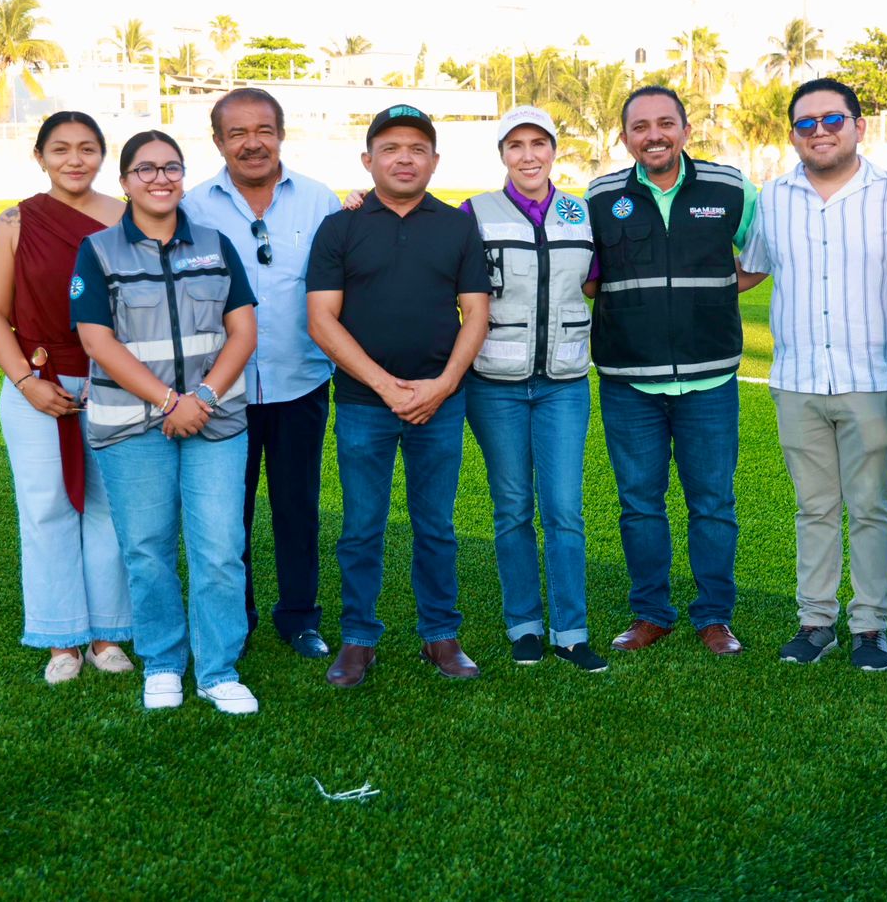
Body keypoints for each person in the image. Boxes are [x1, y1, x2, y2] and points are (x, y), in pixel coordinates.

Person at [72, 131, 261, 714]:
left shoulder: (214, 242)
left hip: (215, 420)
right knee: (147, 549)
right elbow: (96, 339)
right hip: (132, 427)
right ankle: (162, 662)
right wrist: (167, 402)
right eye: (146, 169)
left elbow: (244, 330)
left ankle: (218, 669)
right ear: (125, 181)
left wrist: (200, 396)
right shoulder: (99, 251)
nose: (161, 179)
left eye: (171, 168)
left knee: (220, 549)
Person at [739, 78, 887, 671]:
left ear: (859, 125)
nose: (820, 132)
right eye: (806, 124)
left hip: (872, 378)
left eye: (832, 120)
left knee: (871, 506)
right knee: (813, 507)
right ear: (792, 135)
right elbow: (750, 270)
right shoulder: (773, 197)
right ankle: (815, 622)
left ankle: (871, 626)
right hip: (796, 379)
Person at [306, 105, 490, 688]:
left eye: (417, 148)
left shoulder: (458, 225)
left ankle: (441, 634)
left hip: (440, 402)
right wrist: (386, 387)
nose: (404, 158)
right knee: (362, 525)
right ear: (368, 160)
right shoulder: (342, 226)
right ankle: (358, 638)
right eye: (390, 148)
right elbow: (321, 320)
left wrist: (442, 385)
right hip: (364, 405)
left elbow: (476, 314)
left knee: (435, 525)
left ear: (435, 160)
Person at [584, 86, 761, 657]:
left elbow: (758, 257)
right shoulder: (601, 195)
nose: (653, 134)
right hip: (629, 380)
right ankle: (650, 613)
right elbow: (588, 275)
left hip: (709, 379)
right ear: (625, 137)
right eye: (640, 126)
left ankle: (714, 617)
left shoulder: (729, 187)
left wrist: (710, 296)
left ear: (686, 129)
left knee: (712, 502)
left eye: (665, 123)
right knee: (639, 503)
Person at [183, 88, 343, 660]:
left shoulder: (321, 201)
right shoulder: (192, 207)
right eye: (237, 134)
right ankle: (236, 616)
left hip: (300, 380)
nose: (253, 144)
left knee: (298, 506)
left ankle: (300, 618)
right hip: (220, 390)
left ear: (280, 133)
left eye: (263, 130)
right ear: (218, 141)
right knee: (228, 511)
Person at [0, 111, 134, 685]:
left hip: (116, 383)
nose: (75, 159)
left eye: (88, 149)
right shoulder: (16, 222)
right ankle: (60, 640)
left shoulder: (130, 218)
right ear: (39, 155)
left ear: (102, 157)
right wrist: (26, 382)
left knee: (110, 510)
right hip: (37, 386)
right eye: (61, 148)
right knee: (45, 510)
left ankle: (108, 635)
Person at [464, 106, 605, 672]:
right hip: (494, 383)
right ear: (502, 153)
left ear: (554, 151)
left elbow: (597, 282)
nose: (529, 155)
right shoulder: (472, 213)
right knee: (513, 507)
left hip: (564, 383)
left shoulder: (581, 212)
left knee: (565, 509)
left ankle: (571, 630)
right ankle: (523, 623)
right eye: (516, 145)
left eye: (539, 144)